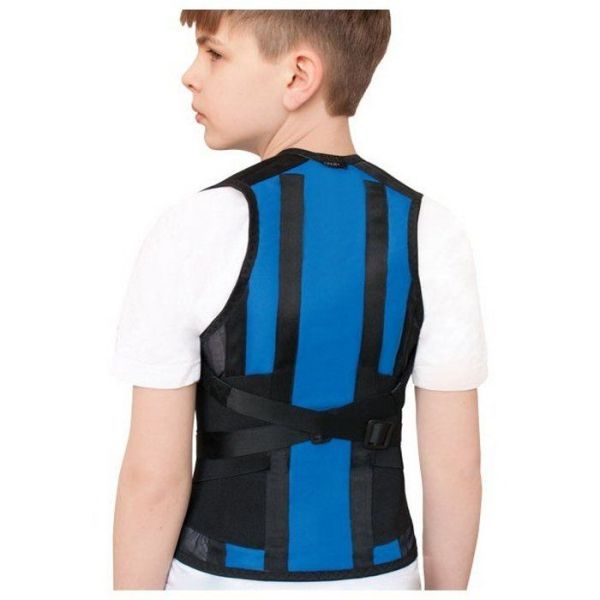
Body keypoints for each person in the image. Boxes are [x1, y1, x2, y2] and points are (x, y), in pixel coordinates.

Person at [111, 9, 487, 591]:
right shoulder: (430, 230)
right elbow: (456, 469)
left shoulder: (195, 227)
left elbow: (152, 479)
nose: (191, 74)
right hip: (381, 575)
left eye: (214, 53)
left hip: (221, 579)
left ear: (298, 76)